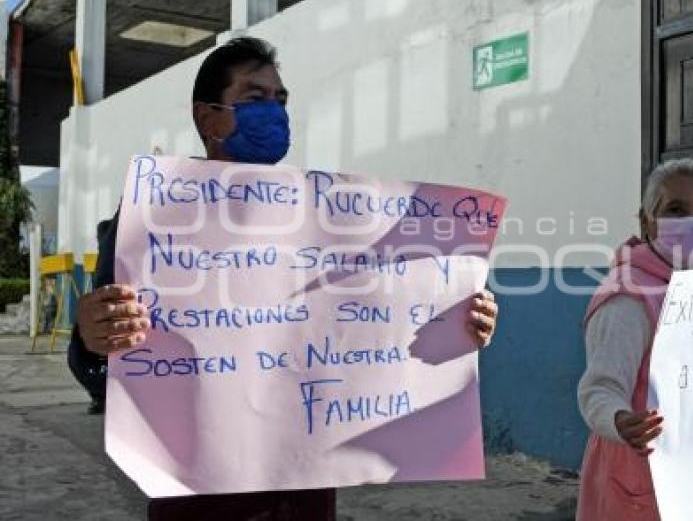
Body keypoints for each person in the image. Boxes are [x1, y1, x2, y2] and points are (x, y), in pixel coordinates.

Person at [68, 37, 500, 521]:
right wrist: (93, 338)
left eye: (280, 100)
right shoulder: (153, 218)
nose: (273, 112)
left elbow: (373, 329)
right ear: (208, 118)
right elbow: (96, 372)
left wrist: (458, 324)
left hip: (305, 496)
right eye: (254, 99)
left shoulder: (331, 217)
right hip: (201, 497)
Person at [576, 158, 693, 520]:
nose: (692, 223)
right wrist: (620, 420)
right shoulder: (628, 295)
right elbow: (600, 388)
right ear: (645, 220)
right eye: (675, 210)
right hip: (640, 476)